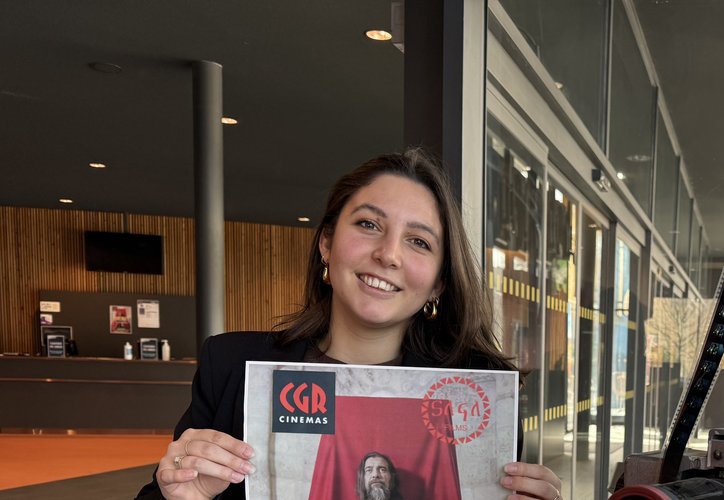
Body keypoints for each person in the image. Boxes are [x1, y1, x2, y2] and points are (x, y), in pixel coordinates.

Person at [137, 149, 562, 500]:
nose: (389, 254)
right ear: (327, 244)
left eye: (419, 241)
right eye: (368, 224)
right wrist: (179, 496)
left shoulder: (477, 393)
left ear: (438, 283)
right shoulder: (230, 366)